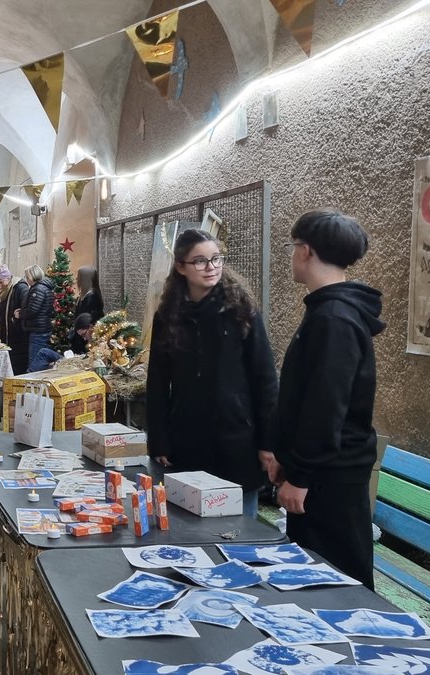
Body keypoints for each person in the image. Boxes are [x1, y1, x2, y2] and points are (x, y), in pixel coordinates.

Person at [264, 209, 384, 589]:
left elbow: (325, 409)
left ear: (306, 251)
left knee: (335, 580)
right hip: (319, 471)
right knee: (311, 572)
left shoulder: (335, 318)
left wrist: (300, 477)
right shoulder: (327, 309)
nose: (291, 256)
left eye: (292, 246)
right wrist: (284, 454)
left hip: (330, 479)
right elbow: (303, 395)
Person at [145, 229, 278, 498]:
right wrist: (158, 440)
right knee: (189, 522)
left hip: (237, 438)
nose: (211, 267)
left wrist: (268, 442)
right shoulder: (169, 316)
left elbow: (264, 378)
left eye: (216, 258)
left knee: (240, 528)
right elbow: (157, 382)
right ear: (181, 267)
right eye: (200, 261)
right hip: (187, 438)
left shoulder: (241, 310)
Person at [0, 266, 30, 375]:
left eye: (0, 282)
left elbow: (26, 307)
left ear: (7, 278)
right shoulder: (2, 290)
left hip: (17, 334)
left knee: (17, 364)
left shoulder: (20, 288)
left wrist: (16, 318)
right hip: (6, 333)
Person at [20, 264, 55, 372]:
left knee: (34, 363)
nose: (26, 279)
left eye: (27, 276)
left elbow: (33, 310)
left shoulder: (38, 289)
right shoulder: (44, 287)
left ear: (31, 276)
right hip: (42, 327)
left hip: (38, 329)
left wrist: (20, 314)